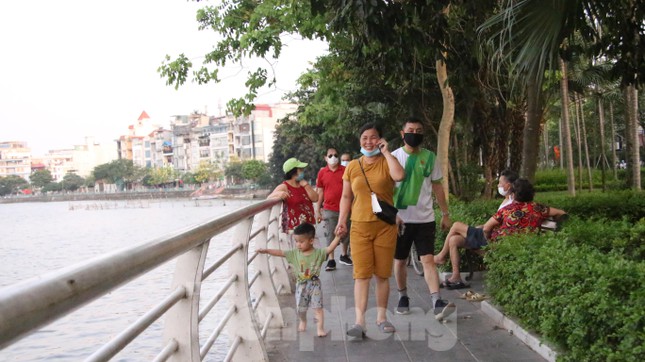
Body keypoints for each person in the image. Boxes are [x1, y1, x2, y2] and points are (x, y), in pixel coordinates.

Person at [335, 123, 405, 337]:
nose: (369, 141)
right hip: (359, 227)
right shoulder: (353, 166)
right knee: (361, 275)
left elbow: (399, 176)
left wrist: (386, 152)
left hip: (385, 227)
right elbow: (347, 196)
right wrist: (341, 221)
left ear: (380, 140)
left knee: (382, 275)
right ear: (360, 141)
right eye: (365, 138)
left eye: (374, 137)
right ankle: (359, 323)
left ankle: (382, 318)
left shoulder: (387, 161)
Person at [434, 178, 567, 288]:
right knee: (454, 240)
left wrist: (487, 241)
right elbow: (562, 213)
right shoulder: (539, 208)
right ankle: (456, 277)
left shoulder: (507, 210)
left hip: (496, 244)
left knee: (456, 225)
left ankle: (440, 256)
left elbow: (486, 228)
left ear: (513, 194)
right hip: (515, 244)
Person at [390, 117, 454, 318]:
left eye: (418, 131)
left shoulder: (430, 157)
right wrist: (390, 215)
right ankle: (403, 296)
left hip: (425, 219)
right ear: (402, 133)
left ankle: (436, 300)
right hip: (400, 220)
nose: (414, 134)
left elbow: (437, 186)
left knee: (428, 260)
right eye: (410, 130)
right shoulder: (392, 157)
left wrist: (445, 213)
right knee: (400, 260)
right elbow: (385, 189)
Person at [257, 223, 341, 337]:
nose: (298, 245)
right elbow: (281, 252)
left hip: (315, 284)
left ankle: (320, 328)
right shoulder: (294, 254)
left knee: (318, 307)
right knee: (301, 309)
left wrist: (338, 237)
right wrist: (267, 251)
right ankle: (303, 320)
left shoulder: (319, 253)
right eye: (296, 241)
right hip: (301, 286)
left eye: (301, 242)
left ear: (311, 241)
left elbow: (330, 248)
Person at [316, 148, 352, 271]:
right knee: (330, 233)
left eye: (336, 155)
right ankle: (331, 260)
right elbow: (320, 192)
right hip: (329, 208)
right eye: (330, 155)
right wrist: (317, 209)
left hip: (346, 208)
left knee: (346, 232)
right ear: (325, 158)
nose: (333, 157)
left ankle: (344, 255)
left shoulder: (345, 170)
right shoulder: (322, 173)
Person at [268, 158, 318, 232]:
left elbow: (315, 198)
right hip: (294, 229)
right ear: (293, 172)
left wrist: (306, 185)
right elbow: (269, 198)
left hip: (309, 227)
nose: (302, 171)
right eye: (300, 170)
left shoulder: (303, 185)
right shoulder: (284, 186)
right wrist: (279, 194)